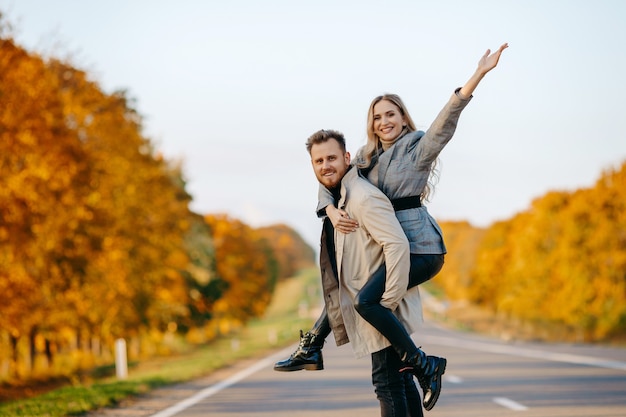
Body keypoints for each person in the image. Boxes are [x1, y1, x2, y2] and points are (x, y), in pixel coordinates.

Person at [274, 43, 509, 412]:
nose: (384, 122)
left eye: (391, 115)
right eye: (377, 117)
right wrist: (330, 211)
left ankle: (424, 363)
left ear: (403, 118)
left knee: (367, 300)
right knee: (353, 292)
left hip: (420, 248)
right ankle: (323, 346)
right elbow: (331, 172)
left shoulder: (417, 147)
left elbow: (445, 122)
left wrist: (477, 74)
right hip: (388, 247)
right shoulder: (367, 157)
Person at [301, 128, 425, 417]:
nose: (325, 165)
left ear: (347, 158)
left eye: (331, 158)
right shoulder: (341, 198)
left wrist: (387, 303)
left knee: (387, 384)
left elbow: (397, 245)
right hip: (376, 304)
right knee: (401, 380)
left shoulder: (362, 198)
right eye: (318, 161)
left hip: (379, 305)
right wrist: (329, 210)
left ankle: (427, 363)